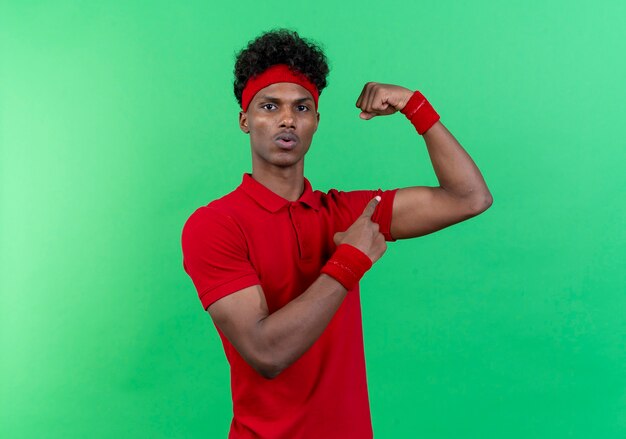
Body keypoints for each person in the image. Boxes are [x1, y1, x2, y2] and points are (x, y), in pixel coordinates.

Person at [181, 28, 492, 439]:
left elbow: (469, 197)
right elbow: (266, 352)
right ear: (245, 120)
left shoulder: (346, 214)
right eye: (270, 106)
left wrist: (414, 106)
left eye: (302, 107)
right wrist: (349, 263)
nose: (287, 119)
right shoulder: (214, 224)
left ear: (315, 122)